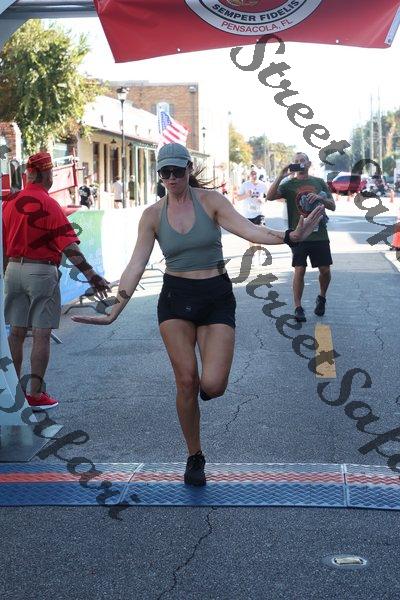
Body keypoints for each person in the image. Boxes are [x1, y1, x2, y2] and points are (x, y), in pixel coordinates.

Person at [71, 142, 323, 486]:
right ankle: (195, 455)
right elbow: (136, 263)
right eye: (165, 172)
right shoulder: (152, 216)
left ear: (189, 169)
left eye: (178, 170)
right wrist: (116, 308)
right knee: (186, 381)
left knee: (213, 386)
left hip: (216, 296)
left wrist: (290, 236)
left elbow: (250, 230)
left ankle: (200, 394)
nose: (172, 178)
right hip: (175, 298)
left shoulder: (211, 202)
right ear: (159, 175)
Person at [2, 151, 110, 411]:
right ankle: (35, 394)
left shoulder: (11, 203)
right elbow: (69, 246)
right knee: (41, 333)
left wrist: (8, 270)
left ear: (29, 174)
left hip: (13, 270)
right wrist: (91, 275)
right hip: (41, 271)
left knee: (16, 333)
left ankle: (14, 393)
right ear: (46, 174)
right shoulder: (48, 204)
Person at [266, 152, 336, 323]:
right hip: (298, 235)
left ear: (309, 163)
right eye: (296, 161)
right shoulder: (289, 184)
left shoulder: (318, 182)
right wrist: (280, 176)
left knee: (325, 270)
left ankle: (322, 297)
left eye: (302, 160)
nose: (299, 163)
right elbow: (269, 197)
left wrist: (320, 198)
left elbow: (332, 205)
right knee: (299, 269)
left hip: (319, 234)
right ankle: (298, 307)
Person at [236, 167, 269, 264]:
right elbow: (238, 198)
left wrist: (263, 200)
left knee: (260, 233)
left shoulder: (263, 185)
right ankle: (253, 255)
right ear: (249, 175)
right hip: (248, 213)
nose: (254, 176)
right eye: (252, 174)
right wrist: (246, 195)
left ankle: (260, 254)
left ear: (258, 174)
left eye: (255, 174)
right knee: (251, 235)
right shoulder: (245, 185)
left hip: (259, 213)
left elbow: (268, 196)